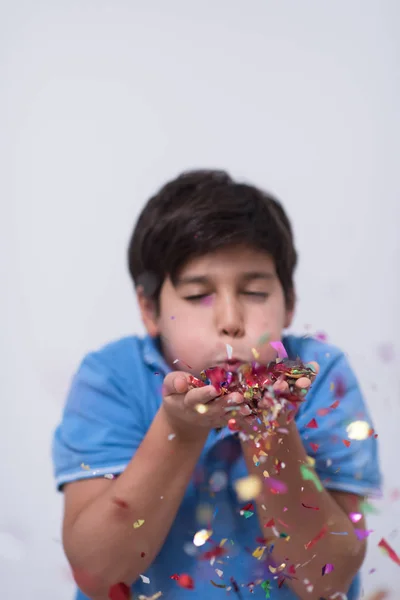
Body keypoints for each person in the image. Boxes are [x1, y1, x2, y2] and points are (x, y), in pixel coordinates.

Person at [52, 170, 381, 600]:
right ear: (149, 309)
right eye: (196, 296)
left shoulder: (318, 374)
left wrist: (271, 431)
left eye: (256, 292)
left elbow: (324, 581)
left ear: (290, 303)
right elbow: (98, 575)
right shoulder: (111, 378)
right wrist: (180, 429)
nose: (230, 321)